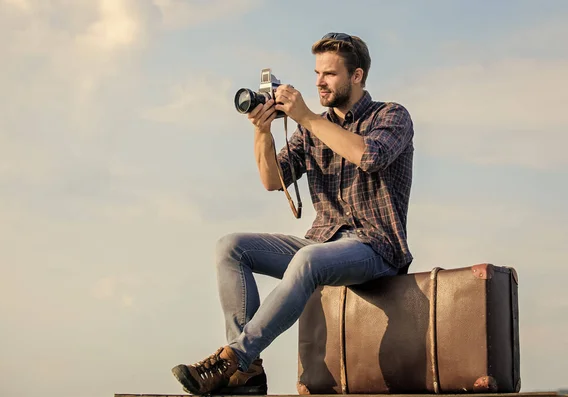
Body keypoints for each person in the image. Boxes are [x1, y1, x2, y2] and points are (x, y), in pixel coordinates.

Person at [171, 32, 415, 395]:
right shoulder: (310, 129)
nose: (320, 82)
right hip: (322, 241)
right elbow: (272, 180)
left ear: (357, 75)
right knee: (230, 247)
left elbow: (370, 156)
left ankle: (232, 358)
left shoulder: (391, 115)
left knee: (308, 260)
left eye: (330, 74)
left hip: (376, 247)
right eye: (317, 73)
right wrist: (262, 130)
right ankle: (248, 370)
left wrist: (307, 118)